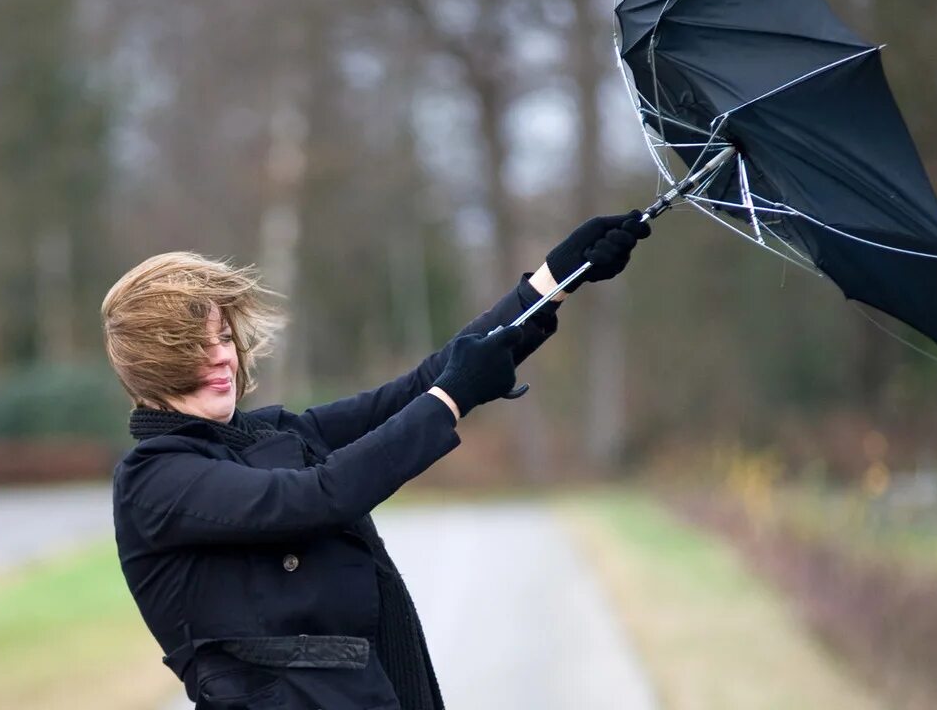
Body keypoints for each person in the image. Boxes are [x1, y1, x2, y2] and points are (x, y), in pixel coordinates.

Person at [102, 212, 650, 710]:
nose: (222, 354)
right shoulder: (154, 479)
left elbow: (416, 388)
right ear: (155, 363)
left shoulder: (269, 433)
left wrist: (551, 283)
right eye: (196, 346)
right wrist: (451, 399)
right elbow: (315, 498)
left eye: (223, 337)